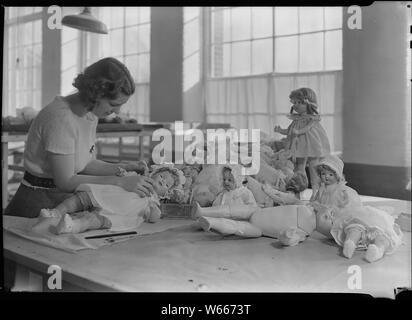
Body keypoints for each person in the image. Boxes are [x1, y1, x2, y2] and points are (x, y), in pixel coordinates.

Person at [5, 57, 155, 218]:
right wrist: (119, 182)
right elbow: (65, 180)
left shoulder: (89, 114)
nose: (117, 112)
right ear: (96, 93)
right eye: (113, 104)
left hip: (60, 197)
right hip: (36, 201)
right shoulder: (60, 118)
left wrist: (125, 167)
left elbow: (86, 164)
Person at [32, 163, 185, 234]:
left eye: (167, 184)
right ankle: (55, 212)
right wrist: (124, 172)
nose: (164, 180)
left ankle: (73, 226)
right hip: (105, 196)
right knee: (79, 199)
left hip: (118, 213)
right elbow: (121, 177)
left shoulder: (152, 200)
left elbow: (154, 218)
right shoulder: (136, 178)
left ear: (166, 193)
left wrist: (154, 211)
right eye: (163, 176)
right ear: (154, 173)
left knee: (95, 220)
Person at [274, 88, 330, 195]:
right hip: (299, 146)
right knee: (299, 168)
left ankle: (316, 191)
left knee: (314, 167)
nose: (296, 105)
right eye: (294, 102)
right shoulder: (296, 119)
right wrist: (280, 130)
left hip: (312, 144)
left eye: (299, 102)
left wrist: (298, 131)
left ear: (309, 103)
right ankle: (299, 189)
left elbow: (308, 128)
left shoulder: (312, 118)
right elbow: (290, 131)